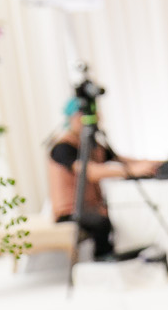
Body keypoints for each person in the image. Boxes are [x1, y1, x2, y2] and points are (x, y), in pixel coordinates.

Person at [46, 100, 159, 260]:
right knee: (101, 223)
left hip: (93, 207)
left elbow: (120, 159)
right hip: (70, 211)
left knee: (121, 215)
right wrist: (128, 171)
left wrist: (151, 163)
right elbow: (90, 171)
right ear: (72, 118)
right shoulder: (62, 148)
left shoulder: (92, 145)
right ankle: (102, 258)